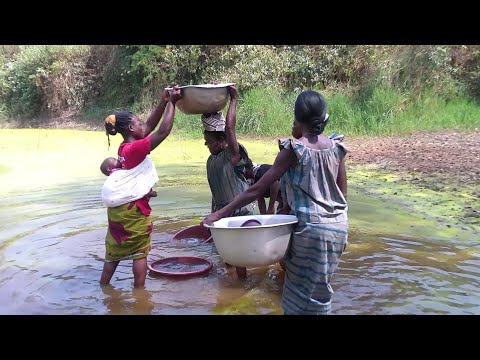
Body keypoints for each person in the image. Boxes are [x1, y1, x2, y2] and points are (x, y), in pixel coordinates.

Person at [202, 90, 348, 315]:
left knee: (297, 294)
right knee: (320, 291)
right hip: (338, 228)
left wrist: (219, 214)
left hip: (311, 230)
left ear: (297, 120)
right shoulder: (336, 147)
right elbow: (342, 195)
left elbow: (258, 188)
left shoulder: (294, 150)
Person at [100, 86, 182, 288]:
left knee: (114, 252)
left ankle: (104, 287)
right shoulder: (135, 149)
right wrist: (172, 103)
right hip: (133, 213)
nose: (142, 126)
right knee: (140, 251)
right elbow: (162, 132)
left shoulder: (123, 148)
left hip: (117, 214)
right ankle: (140, 294)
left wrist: (163, 101)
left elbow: (147, 128)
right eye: (138, 123)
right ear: (130, 129)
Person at [203, 84, 256, 279]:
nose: (206, 145)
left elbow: (230, 128)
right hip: (223, 215)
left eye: (209, 141)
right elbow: (215, 194)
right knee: (228, 259)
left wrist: (233, 100)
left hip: (241, 214)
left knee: (241, 258)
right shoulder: (211, 161)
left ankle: (243, 287)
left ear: (221, 140)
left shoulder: (231, 154)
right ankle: (236, 287)